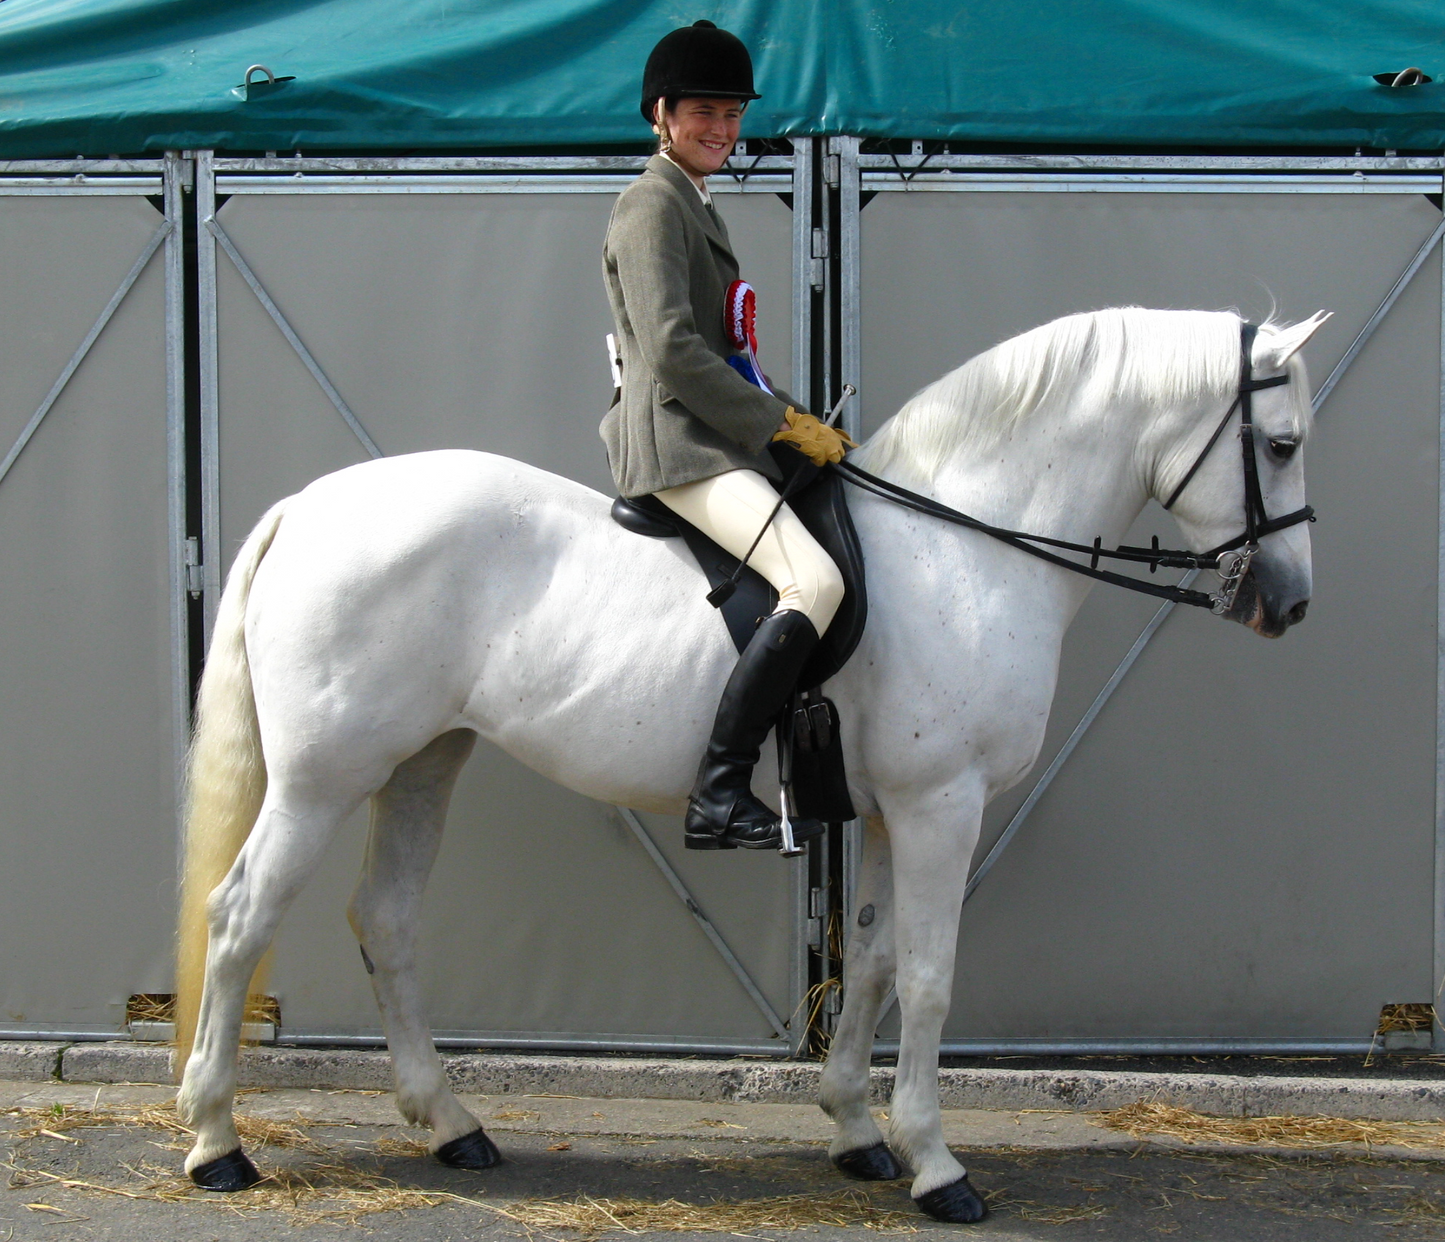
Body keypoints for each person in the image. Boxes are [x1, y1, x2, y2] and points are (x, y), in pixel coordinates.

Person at [601, 20, 853, 854]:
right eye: (704, 111)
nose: (720, 128)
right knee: (813, 584)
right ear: (662, 115)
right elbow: (673, 351)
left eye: (732, 114)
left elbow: (727, 355)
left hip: (713, 427)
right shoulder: (650, 205)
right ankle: (719, 789)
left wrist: (796, 416)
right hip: (675, 443)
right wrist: (772, 423)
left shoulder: (693, 200)